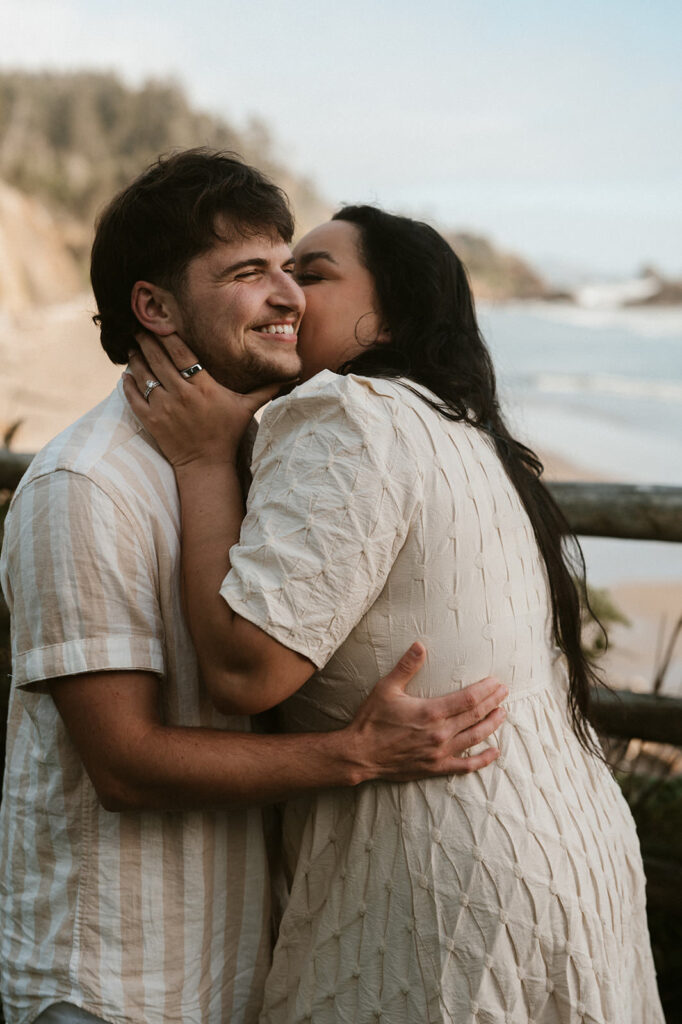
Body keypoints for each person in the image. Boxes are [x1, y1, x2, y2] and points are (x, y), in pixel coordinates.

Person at [124, 205, 665, 1023]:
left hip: (450, 885)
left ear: (391, 315)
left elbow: (246, 669)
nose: (289, 296)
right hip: (573, 853)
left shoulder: (346, 414)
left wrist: (201, 459)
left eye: (312, 274)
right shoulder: (463, 431)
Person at [0, 154, 508, 1024]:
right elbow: (124, 764)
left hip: (232, 971)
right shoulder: (87, 485)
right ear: (154, 308)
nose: (290, 296)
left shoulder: (250, 458)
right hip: (113, 982)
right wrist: (358, 753)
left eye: (290, 267)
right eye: (248, 274)